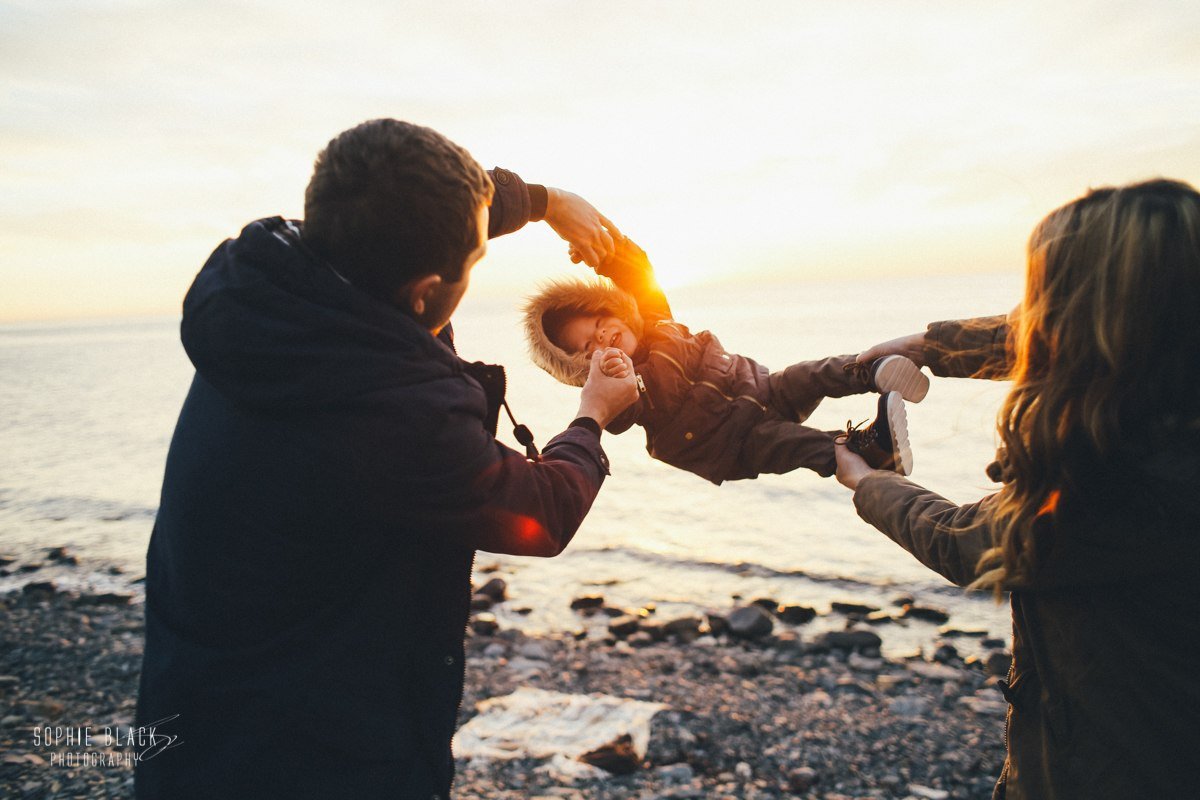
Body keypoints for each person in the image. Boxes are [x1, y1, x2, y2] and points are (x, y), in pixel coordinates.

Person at [134, 119, 639, 799]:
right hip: (313, 756)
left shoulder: (273, 291)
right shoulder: (396, 414)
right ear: (424, 291)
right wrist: (592, 413)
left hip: (196, 712)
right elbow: (541, 513)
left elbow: (406, 207)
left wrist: (545, 202)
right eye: (472, 261)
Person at [835, 179, 1200, 799]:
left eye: (1047, 297)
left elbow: (964, 542)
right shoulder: (1171, 391)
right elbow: (1077, 336)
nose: (1033, 317)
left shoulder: (1116, 490)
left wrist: (870, 484)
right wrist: (933, 347)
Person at [522, 234, 930, 483]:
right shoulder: (630, 385)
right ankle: (872, 448)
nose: (602, 336)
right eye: (590, 348)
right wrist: (611, 378)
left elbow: (637, 271)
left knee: (811, 374)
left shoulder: (656, 319)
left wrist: (602, 249)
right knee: (797, 445)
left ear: (612, 308)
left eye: (598, 321)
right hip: (736, 443)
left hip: (762, 387)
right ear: (587, 368)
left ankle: (873, 370)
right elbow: (620, 414)